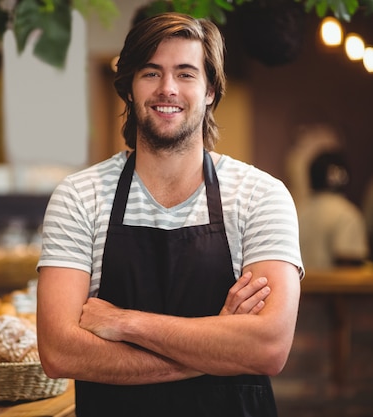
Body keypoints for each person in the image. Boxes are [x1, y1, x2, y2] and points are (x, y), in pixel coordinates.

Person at [36, 12, 303, 416]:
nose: (167, 89)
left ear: (211, 89)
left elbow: (267, 348)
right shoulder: (79, 197)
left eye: (185, 73)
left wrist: (125, 323)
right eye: (151, 73)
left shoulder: (260, 196)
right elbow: (59, 352)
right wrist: (218, 347)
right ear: (128, 86)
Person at [298, 151, 369, 269]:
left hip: (300, 285)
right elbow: (348, 263)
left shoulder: (298, 210)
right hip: (332, 287)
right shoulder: (347, 213)